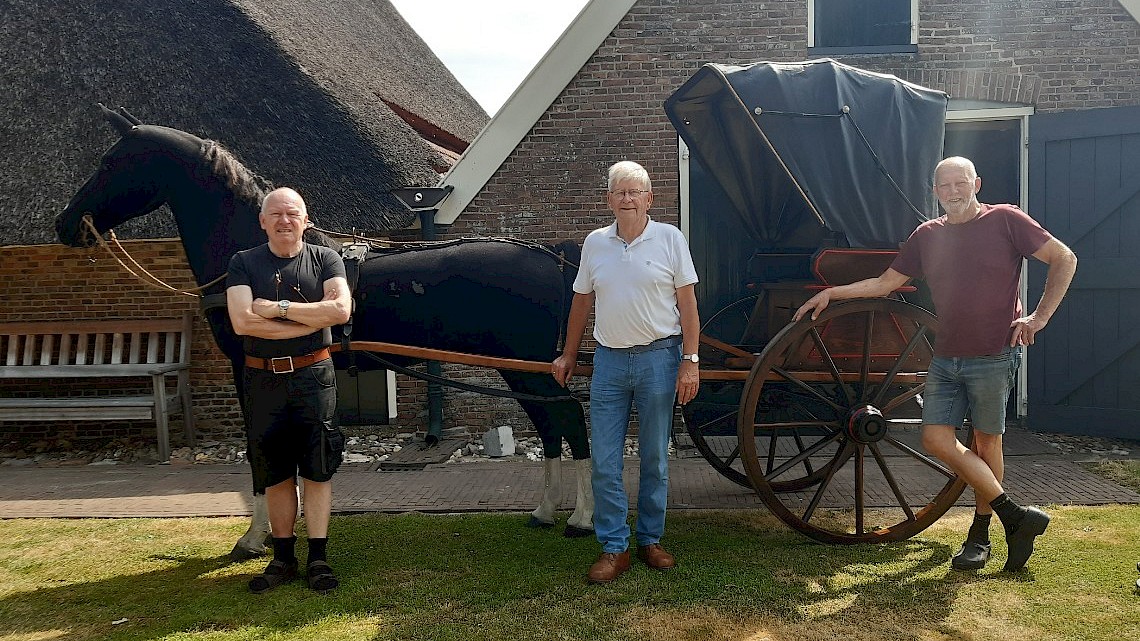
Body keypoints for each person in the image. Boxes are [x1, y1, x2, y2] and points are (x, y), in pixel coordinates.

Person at [794, 157, 1077, 573]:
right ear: (935, 191)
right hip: (946, 355)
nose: (953, 192)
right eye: (944, 186)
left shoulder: (1006, 220)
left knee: (986, 445)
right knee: (935, 440)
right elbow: (885, 284)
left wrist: (1039, 317)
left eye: (960, 183)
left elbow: (1064, 258)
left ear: (976, 183)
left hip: (994, 353)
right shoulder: (926, 235)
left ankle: (979, 537)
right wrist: (834, 293)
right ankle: (1016, 517)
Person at [552, 160, 701, 584]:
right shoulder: (595, 244)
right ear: (609, 200)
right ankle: (614, 547)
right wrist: (567, 354)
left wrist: (690, 361)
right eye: (620, 192)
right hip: (610, 362)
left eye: (636, 192)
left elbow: (688, 304)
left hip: (660, 358)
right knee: (604, 460)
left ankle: (650, 540)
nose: (628, 199)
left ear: (650, 198)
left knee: (655, 456)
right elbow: (580, 302)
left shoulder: (670, 239)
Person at [226, 187, 352, 593]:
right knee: (276, 471)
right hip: (261, 379)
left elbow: (341, 311)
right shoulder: (243, 263)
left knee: (317, 467)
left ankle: (319, 558)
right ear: (262, 221)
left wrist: (276, 309)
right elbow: (242, 323)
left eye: (292, 214)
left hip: (313, 376)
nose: (284, 221)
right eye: (276, 214)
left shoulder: (326, 259)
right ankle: (282, 559)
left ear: (306, 220)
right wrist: (311, 319)